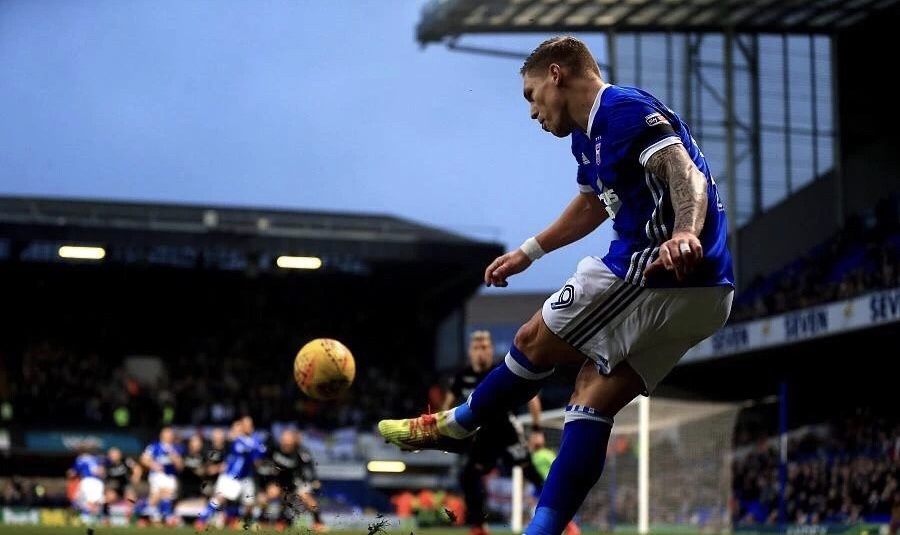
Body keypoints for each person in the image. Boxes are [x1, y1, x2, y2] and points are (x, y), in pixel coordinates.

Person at [378, 35, 735, 535]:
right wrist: (529, 252)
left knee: (531, 340)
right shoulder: (586, 137)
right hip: (709, 292)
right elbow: (591, 204)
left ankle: (457, 424)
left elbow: (686, 173)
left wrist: (683, 233)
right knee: (590, 397)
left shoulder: (623, 111)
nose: (532, 111)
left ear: (556, 75)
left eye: (530, 96)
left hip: (658, 269)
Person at [443, 330, 544, 535]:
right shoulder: (462, 377)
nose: (481, 352)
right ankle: (479, 526)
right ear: (470, 352)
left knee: (531, 474)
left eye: (485, 347)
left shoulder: (502, 371)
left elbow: (532, 398)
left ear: (491, 350)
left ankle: (562, 518)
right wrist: (444, 430)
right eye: (477, 347)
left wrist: (536, 430)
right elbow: (447, 406)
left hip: (507, 432)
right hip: (482, 438)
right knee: (468, 477)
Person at [195, 416, 266, 530]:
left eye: (250, 424)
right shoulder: (238, 440)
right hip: (232, 475)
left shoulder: (255, 439)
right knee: (220, 498)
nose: (249, 427)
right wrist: (256, 449)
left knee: (249, 503)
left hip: (247, 476)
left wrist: (257, 451)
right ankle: (202, 519)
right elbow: (251, 452)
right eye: (246, 424)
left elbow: (260, 455)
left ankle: (240, 521)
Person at [257, 428, 327, 531]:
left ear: (293, 441)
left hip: (297, 481)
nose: (285, 443)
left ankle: (318, 521)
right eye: (283, 440)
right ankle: (263, 520)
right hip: (280, 481)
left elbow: (309, 468)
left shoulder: (301, 451)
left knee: (305, 496)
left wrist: (314, 480)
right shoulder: (274, 449)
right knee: (269, 494)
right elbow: (262, 462)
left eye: (288, 440)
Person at [139, 426, 184, 526]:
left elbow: (180, 467)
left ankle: (146, 514)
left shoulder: (177, 448)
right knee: (166, 492)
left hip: (170, 475)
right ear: (162, 435)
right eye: (167, 433)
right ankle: (167, 517)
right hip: (157, 475)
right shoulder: (154, 446)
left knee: (156, 497)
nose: (169, 436)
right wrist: (153, 464)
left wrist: (175, 459)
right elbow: (144, 459)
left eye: (171, 434)